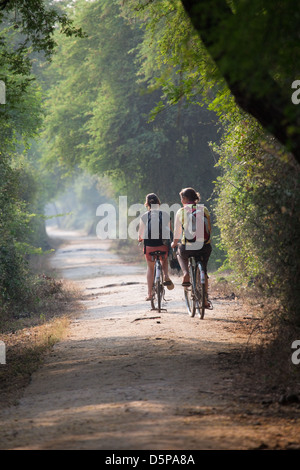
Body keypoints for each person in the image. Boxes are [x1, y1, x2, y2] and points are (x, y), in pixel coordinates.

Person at [171, 187, 212, 309]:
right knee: (204, 270)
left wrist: (174, 243)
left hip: (187, 247)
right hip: (204, 246)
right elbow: (209, 228)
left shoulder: (181, 212)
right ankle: (204, 300)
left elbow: (177, 233)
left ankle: (185, 274)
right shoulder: (204, 209)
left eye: (181, 198)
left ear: (184, 199)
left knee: (179, 253)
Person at [138, 193, 174, 301]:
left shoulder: (144, 216)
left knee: (150, 267)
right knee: (164, 259)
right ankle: (166, 275)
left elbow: (140, 234)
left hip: (150, 246)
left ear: (147, 204)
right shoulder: (165, 215)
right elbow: (169, 231)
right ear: (159, 202)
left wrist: (140, 239)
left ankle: (149, 294)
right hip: (163, 246)